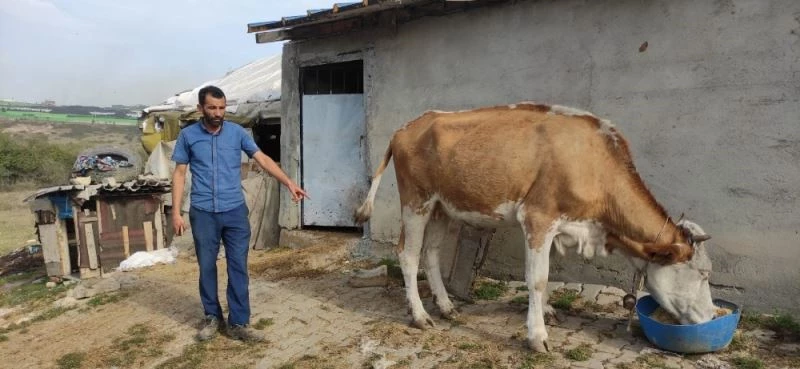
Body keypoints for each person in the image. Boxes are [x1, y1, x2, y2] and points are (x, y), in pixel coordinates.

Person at [171, 85, 308, 342]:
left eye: (222, 108)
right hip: (203, 213)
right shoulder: (188, 136)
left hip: (234, 210)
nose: (218, 113)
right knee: (207, 266)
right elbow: (179, 174)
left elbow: (263, 159)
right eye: (212, 107)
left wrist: (288, 182)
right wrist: (176, 212)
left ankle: (239, 323)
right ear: (201, 108)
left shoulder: (236, 133)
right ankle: (212, 316)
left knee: (238, 267)